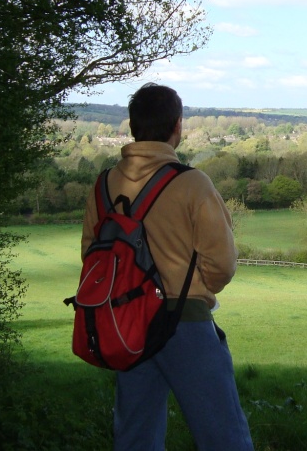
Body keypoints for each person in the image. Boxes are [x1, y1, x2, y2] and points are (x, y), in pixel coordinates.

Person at [81, 83, 254, 451]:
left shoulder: (103, 185)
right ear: (178, 126)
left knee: (135, 436)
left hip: (126, 323)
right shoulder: (192, 183)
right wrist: (195, 290)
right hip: (184, 322)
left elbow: (91, 257)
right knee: (223, 434)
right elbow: (222, 264)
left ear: (132, 126)